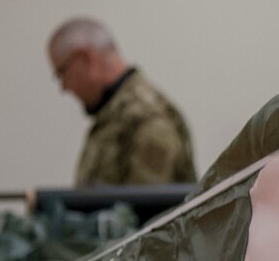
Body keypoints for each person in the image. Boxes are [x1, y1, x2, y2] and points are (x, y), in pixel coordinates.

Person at [47, 17, 196, 187]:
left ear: (85, 59)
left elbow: (147, 207)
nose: (64, 87)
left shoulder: (147, 116)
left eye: (61, 73)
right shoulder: (113, 115)